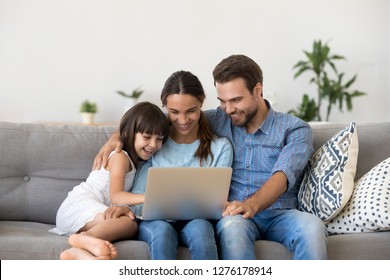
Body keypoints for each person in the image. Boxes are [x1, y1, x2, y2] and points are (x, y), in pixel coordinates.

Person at [94, 55, 327, 260]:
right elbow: (170, 120)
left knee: (312, 226)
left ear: (258, 90)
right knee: (234, 230)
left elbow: (283, 175)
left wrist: (250, 205)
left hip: (280, 213)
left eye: (235, 100)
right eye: (222, 101)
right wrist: (119, 136)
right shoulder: (220, 118)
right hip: (234, 217)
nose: (228, 109)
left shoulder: (295, 129)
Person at [94, 70, 233, 260]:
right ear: (165, 107)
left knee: (201, 232)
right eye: (174, 112)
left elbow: (215, 201)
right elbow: (133, 131)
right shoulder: (156, 142)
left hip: (196, 219)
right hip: (154, 220)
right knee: (162, 233)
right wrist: (116, 136)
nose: (183, 121)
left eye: (191, 111)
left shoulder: (220, 147)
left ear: (202, 102)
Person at [49, 102, 170, 260]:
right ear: (128, 133)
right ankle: (86, 237)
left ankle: (78, 252)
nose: (153, 144)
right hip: (78, 206)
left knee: (129, 222)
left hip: (92, 213)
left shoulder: (136, 161)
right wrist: (152, 197)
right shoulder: (120, 157)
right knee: (129, 223)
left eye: (159, 139)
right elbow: (116, 196)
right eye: (147, 137)